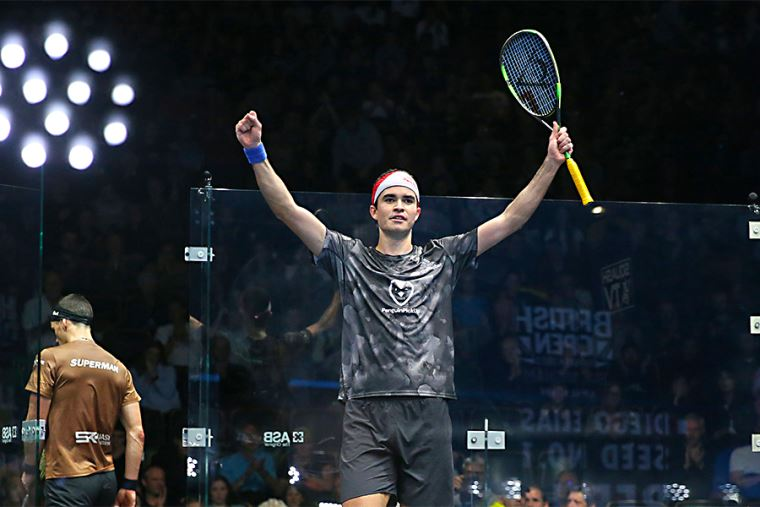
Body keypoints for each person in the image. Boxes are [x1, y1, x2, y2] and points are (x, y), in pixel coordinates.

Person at [235, 109, 573, 507]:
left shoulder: (444, 257)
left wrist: (551, 163)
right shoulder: (348, 257)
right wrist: (256, 151)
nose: (398, 205)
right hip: (364, 412)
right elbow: (288, 211)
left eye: (407, 199)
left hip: (427, 413)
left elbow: (510, 218)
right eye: (389, 198)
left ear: (417, 212)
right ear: (373, 211)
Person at [20, 293, 144, 507]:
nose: (55, 337)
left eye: (55, 329)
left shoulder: (50, 358)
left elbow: (34, 423)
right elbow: (137, 433)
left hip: (66, 479)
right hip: (106, 480)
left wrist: (29, 468)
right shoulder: (119, 368)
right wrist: (129, 485)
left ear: (65, 322)